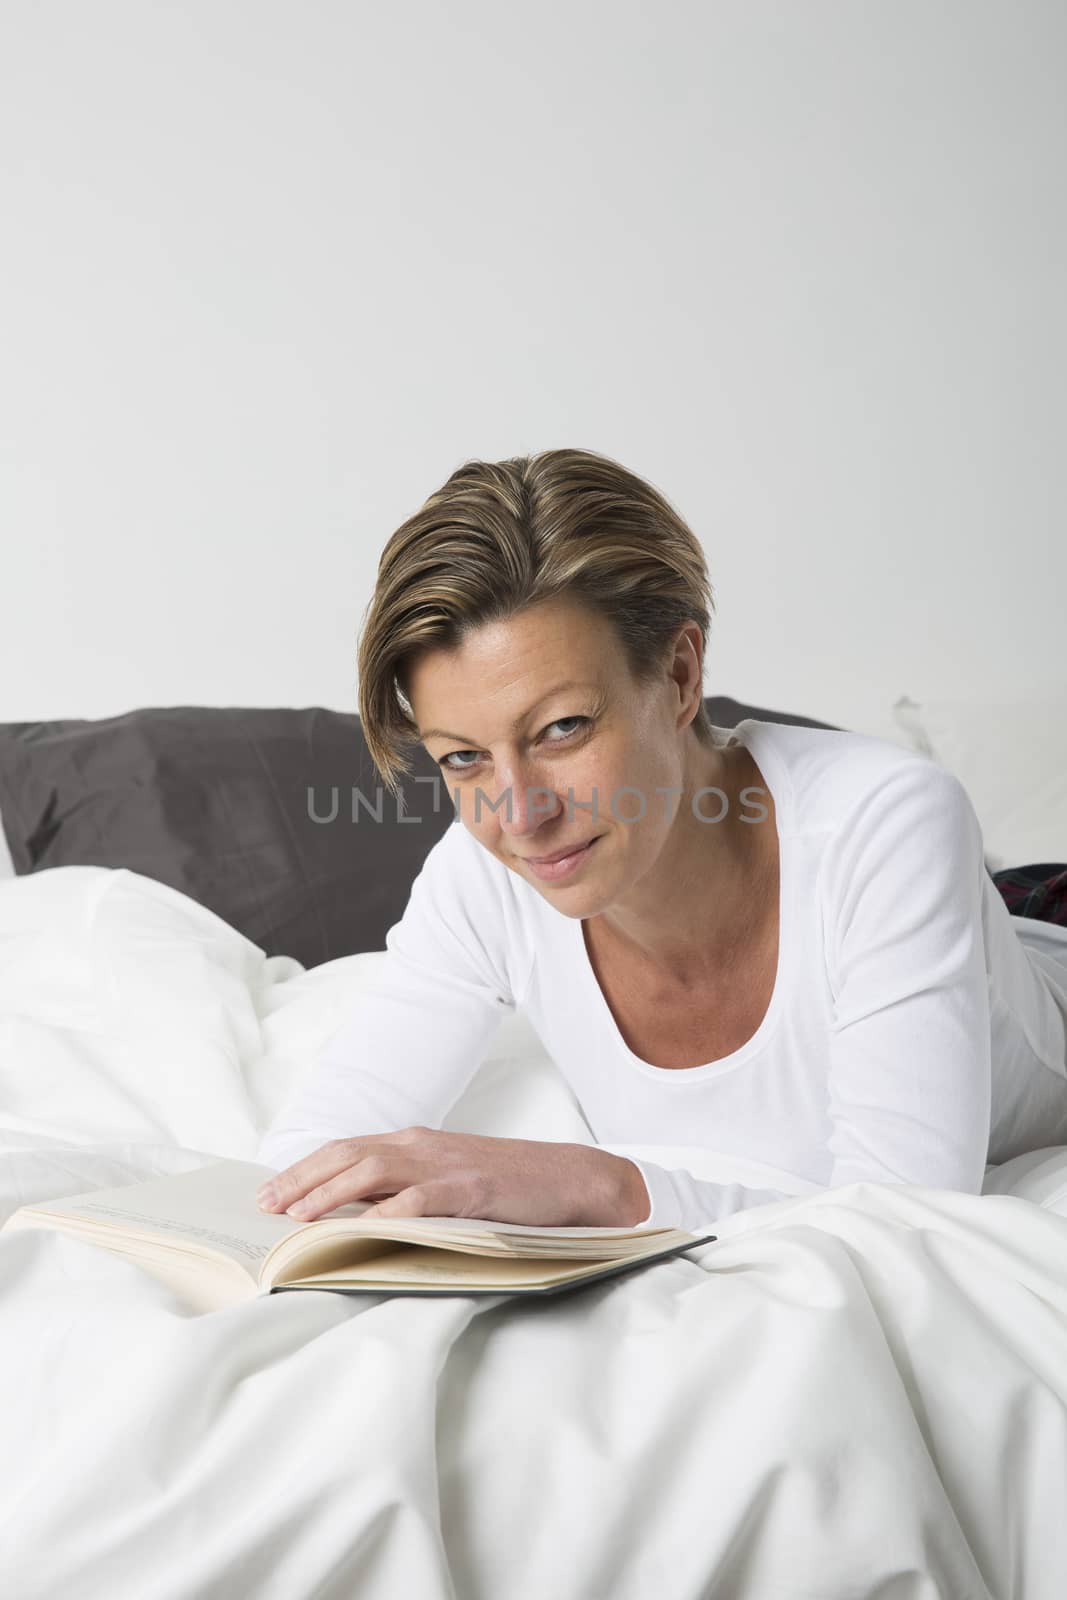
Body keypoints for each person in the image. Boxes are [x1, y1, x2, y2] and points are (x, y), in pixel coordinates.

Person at [254, 448, 1067, 1235]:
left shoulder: (883, 821)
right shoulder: (482, 872)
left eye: (562, 728)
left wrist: (597, 1185)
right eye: (462, 757)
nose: (520, 814)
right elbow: (306, 1167)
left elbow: (902, 1224)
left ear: (679, 675)